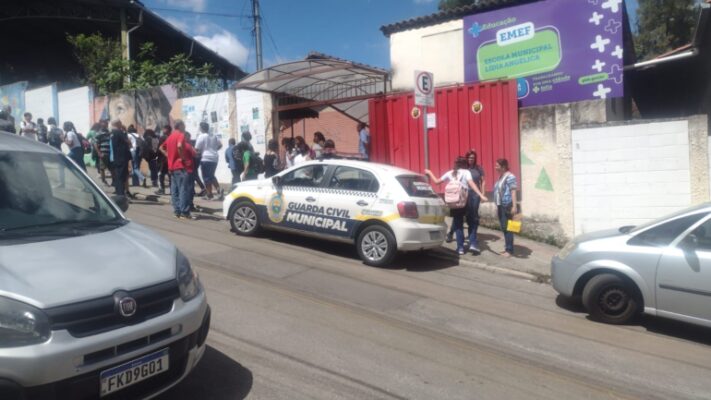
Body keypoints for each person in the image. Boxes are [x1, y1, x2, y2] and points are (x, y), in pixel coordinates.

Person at [425, 157, 488, 255]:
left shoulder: (450, 173)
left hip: (454, 202)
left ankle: (460, 248)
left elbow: (437, 182)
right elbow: (471, 184)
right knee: (472, 223)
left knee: (458, 226)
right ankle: (472, 244)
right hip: (465, 201)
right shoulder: (466, 172)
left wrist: (429, 172)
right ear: (464, 165)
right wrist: (481, 195)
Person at [446, 149, 486, 249]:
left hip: (475, 195)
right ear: (466, 158)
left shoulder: (478, 168)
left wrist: (482, 194)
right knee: (459, 216)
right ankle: (451, 232)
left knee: (473, 217)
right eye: (469, 158)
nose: (471, 159)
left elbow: (483, 182)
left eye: (472, 158)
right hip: (463, 195)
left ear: (475, 158)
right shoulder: (464, 169)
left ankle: (473, 238)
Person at [160, 120, 193, 219]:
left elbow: (161, 147)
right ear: (181, 126)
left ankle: (177, 211)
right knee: (183, 189)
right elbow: (179, 146)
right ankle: (184, 212)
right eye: (184, 125)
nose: (185, 127)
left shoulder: (170, 136)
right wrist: (182, 157)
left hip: (171, 167)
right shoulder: (181, 135)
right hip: (180, 166)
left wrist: (168, 155)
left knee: (174, 190)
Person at [493, 158, 518, 257]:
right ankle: (507, 248)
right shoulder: (502, 176)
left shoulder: (510, 176)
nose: (495, 167)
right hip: (501, 205)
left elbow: (513, 191)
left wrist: (514, 206)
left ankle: (509, 250)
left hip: (507, 205)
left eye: (497, 165)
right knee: (505, 227)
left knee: (508, 228)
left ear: (503, 167)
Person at [195, 122, 223, 200]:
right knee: (211, 175)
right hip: (214, 158)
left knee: (206, 177)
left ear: (201, 128)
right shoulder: (213, 135)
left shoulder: (202, 136)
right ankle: (219, 191)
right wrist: (214, 150)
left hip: (206, 158)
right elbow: (220, 145)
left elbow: (197, 148)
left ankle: (209, 194)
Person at [110, 119, 132, 198]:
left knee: (119, 176)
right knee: (121, 177)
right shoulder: (119, 132)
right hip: (122, 158)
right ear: (118, 123)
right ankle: (121, 195)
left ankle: (120, 194)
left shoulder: (112, 133)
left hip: (116, 157)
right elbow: (128, 142)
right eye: (120, 123)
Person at [155, 125, 172, 195]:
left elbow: (159, 148)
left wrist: (157, 156)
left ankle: (162, 189)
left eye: (164, 129)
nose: (163, 130)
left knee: (161, 174)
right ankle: (172, 189)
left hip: (163, 160)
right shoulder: (171, 137)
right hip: (169, 159)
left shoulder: (163, 138)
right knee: (170, 175)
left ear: (167, 129)